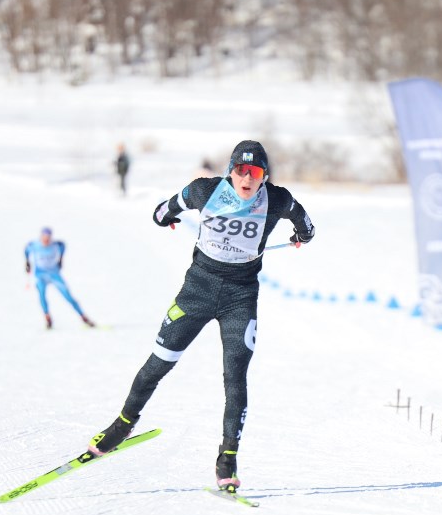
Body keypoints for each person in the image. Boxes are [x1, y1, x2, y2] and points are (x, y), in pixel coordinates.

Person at [87, 139, 314, 495]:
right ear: (231, 171)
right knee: (159, 363)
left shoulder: (277, 199)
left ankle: (228, 458)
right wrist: (167, 217)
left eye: (255, 173)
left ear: (264, 176)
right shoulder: (204, 191)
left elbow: (306, 224)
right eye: (241, 170)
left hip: (240, 298)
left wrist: (301, 234)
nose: (247, 179)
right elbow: (162, 211)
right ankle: (122, 425)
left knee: (235, 377)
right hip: (197, 292)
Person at [24, 227, 95, 329]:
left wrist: (61, 259)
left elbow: (63, 247)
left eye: (48, 238)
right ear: (41, 237)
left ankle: (83, 317)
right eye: (44, 237)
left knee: (68, 296)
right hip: (40, 275)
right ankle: (47, 318)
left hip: (54, 274)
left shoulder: (57, 245)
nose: (46, 240)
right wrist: (27, 263)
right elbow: (26, 250)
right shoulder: (34, 245)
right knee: (42, 295)